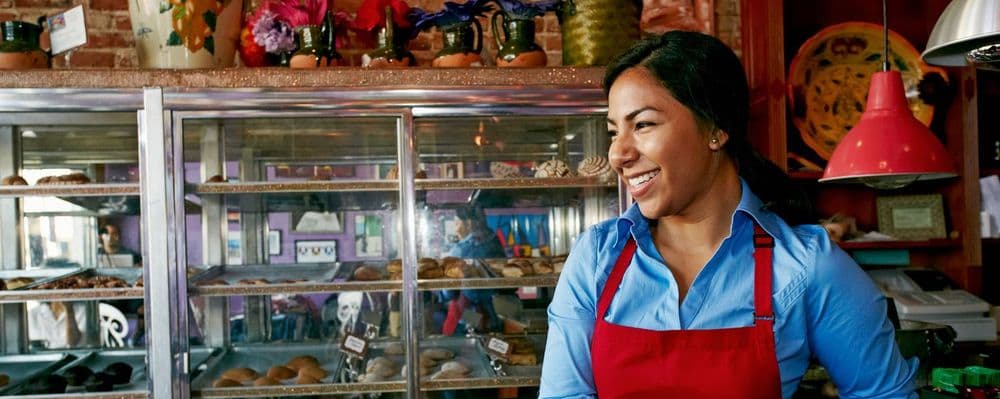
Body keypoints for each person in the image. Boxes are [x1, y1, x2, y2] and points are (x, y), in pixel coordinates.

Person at [539, 31, 917, 399]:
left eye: (642, 125)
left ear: (716, 128)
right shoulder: (597, 257)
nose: (618, 154)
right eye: (613, 132)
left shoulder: (806, 265)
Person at [438, 204, 506, 336]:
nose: (456, 229)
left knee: (471, 345)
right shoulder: (494, 241)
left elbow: (449, 292)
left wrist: (439, 290)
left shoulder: (461, 249)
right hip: (495, 313)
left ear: (468, 223)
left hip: (471, 313)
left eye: (457, 223)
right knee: (492, 348)